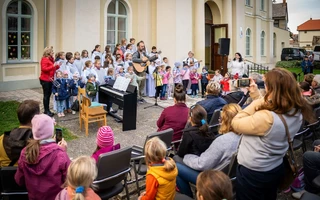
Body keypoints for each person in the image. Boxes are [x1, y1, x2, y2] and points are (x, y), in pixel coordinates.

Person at [231, 68, 315, 200]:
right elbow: (273, 110)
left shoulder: (267, 118)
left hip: (254, 171)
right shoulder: (296, 110)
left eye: (266, 85)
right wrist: (257, 95)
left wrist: (258, 100)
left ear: (272, 90)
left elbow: (235, 122)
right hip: (275, 165)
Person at [176, 104, 241, 198]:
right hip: (225, 177)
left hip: (211, 178)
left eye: (221, 118)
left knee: (175, 166)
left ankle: (188, 196)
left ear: (226, 121)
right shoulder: (242, 137)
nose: (219, 121)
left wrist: (187, 157)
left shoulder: (223, 141)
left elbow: (202, 164)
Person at [15, 114, 70, 200]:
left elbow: (19, 180)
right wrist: (63, 152)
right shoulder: (60, 154)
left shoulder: (25, 152)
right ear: (51, 132)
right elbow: (70, 181)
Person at [0, 100, 40, 167]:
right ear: (35, 119)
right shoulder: (38, 142)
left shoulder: (2, 138)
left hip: (6, 176)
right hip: (29, 176)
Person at [40, 46, 61, 117]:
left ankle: (48, 109)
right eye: (52, 52)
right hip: (45, 80)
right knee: (46, 95)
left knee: (49, 95)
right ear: (48, 53)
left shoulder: (51, 59)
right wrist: (53, 66)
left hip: (50, 79)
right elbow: (44, 69)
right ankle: (46, 111)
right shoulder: (44, 59)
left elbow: (52, 68)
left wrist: (58, 66)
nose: (53, 53)